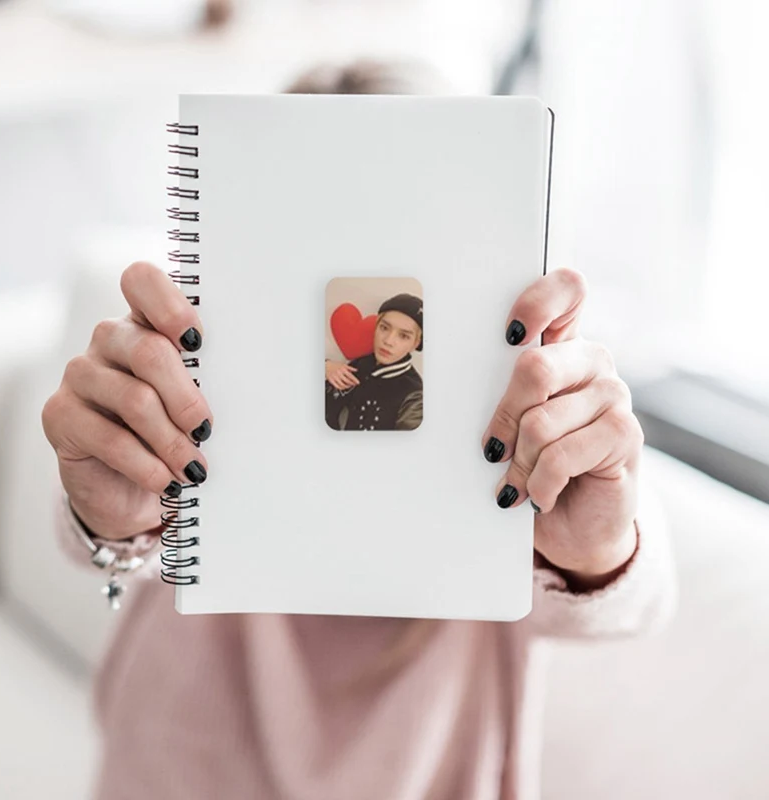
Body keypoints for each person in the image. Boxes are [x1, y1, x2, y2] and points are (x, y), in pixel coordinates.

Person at [40, 60, 676, 800]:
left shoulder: (513, 435)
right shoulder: (215, 404)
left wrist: (597, 551)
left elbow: (639, 594)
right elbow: (112, 542)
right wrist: (107, 517)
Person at [325, 292, 424, 431]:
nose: (388, 341)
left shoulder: (414, 396)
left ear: (415, 343)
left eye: (403, 336)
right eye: (384, 328)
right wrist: (325, 366)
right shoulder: (361, 364)